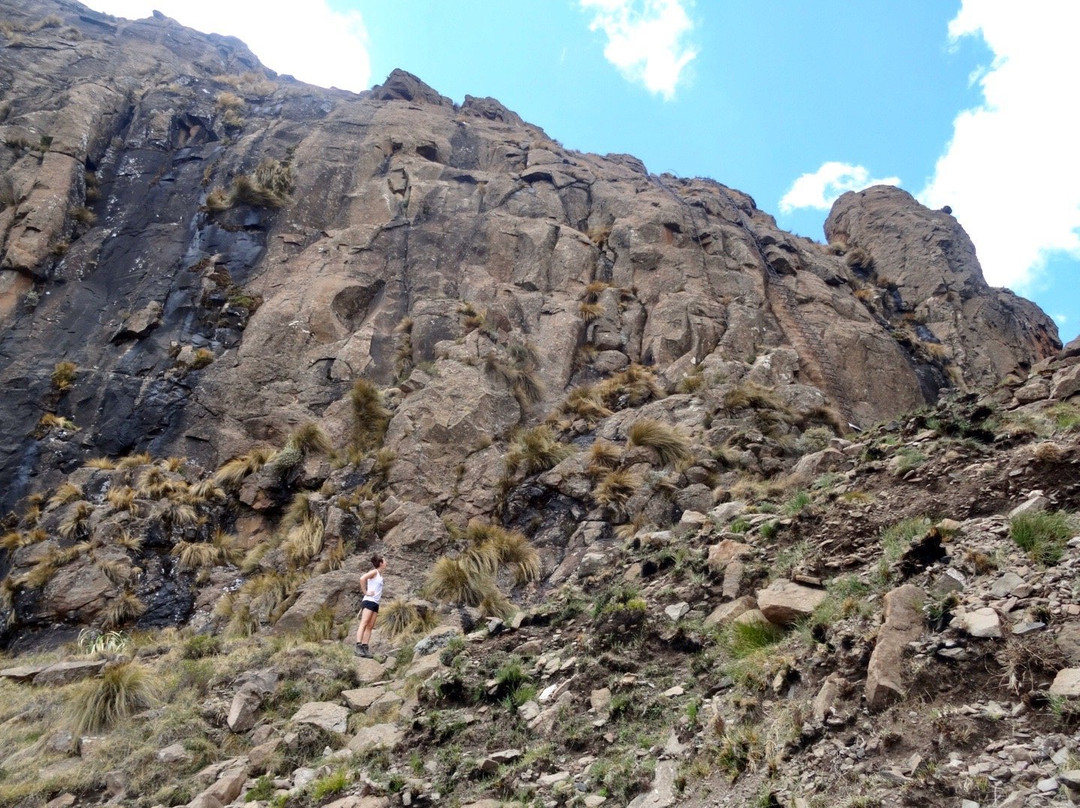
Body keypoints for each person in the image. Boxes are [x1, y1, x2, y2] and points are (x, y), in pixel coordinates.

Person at [355, 555, 386, 657]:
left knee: (370, 626)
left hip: (375, 603)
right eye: (385, 560)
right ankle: (358, 646)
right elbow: (362, 578)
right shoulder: (374, 572)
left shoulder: (380, 575)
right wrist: (365, 592)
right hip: (369, 600)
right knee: (364, 623)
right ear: (381, 563)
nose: (386, 562)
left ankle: (365, 647)